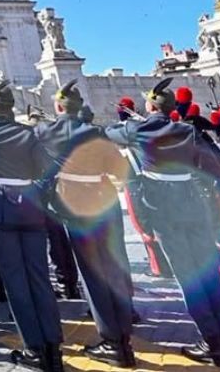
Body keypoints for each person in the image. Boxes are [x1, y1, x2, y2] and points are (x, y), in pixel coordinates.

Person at [107, 79, 220, 367]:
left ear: (151, 105)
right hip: (194, 204)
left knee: (188, 277)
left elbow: (109, 132)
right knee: (209, 274)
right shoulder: (188, 130)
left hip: (164, 210)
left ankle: (212, 342)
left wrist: (138, 124)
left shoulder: (140, 129)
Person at [0, 80, 64, 372]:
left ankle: (34, 347)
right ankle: (53, 347)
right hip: (31, 212)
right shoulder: (29, 135)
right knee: (40, 278)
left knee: (15, 280)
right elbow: (49, 170)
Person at [36, 80, 136, 368]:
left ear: (57, 106)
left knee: (92, 274)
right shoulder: (98, 133)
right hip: (105, 204)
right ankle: (125, 324)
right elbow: (122, 171)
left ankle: (112, 341)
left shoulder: (46, 132)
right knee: (114, 265)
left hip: (73, 206)